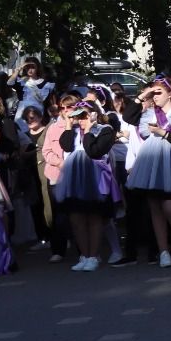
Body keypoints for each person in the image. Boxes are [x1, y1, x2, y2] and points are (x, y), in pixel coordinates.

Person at [125, 79, 171, 268]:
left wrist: (162, 132)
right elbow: (128, 116)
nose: (154, 97)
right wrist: (143, 95)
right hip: (151, 164)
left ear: (169, 93)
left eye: (158, 93)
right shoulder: (149, 112)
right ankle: (163, 251)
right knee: (155, 208)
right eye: (153, 93)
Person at [51, 102, 121, 272]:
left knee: (94, 217)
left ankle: (93, 255)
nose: (80, 120)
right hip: (75, 179)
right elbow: (66, 146)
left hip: (95, 178)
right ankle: (85, 254)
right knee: (76, 218)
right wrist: (68, 124)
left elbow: (94, 151)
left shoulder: (105, 130)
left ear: (94, 114)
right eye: (78, 116)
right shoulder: (74, 132)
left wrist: (89, 130)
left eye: (84, 116)